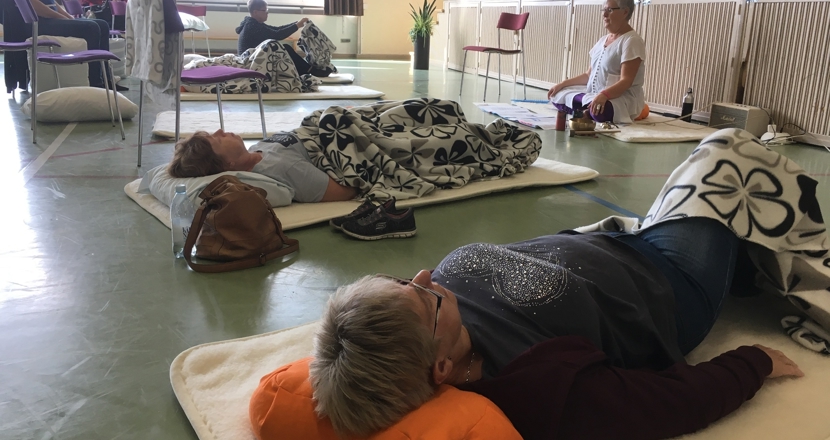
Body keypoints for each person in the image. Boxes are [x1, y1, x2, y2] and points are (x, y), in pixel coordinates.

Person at [307, 131, 818, 438]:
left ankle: (741, 261)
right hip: (667, 279)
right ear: (441, 366)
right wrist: (753, 363)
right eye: (423, 299)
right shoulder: (538, 389)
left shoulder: (433, 321)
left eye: (401, 281)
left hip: (610, 238)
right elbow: (666, 404)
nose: (423, 277)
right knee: (729, 151)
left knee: (710, 198)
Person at [168, 130, 357, 203]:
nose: (221, 131)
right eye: (218, 140)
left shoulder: (256, 149)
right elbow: (343, 193)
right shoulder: (283, 168)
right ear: (227, 164)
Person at [547, 0, 645, 124]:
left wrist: (604, 95)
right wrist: (562, 84)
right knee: (558, 94)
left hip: (620, 98)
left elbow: (626, 81)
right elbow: (588, 75)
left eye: (609, 10)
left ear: (625, 12)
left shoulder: (632, 40)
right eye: (603, 10)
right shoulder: (602, 40)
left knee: (600, 111)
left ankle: (587, 111)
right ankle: (587, 110)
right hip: (594, 95)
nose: (604, 14)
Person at [8, 0, 127, 91]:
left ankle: (107, 80)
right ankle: (95, 82)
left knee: (103, 25)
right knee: (92, 28)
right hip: (40, 22)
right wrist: (62, 17)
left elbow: (52, 3)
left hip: (50, 19)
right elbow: (35, 6)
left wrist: (68, 17)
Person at [235, 0, 331, 77]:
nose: (267, 13)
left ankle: (306, 71)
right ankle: (311, 71)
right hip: (249, 63)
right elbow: (278, 34)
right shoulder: (253, 26)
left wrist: (297, 24)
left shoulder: (253, 23)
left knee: (284, 48)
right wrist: (297, 25)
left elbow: (276, 29)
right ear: (255, 12)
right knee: (285, 49)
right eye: (264, 10)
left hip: (252, 58)